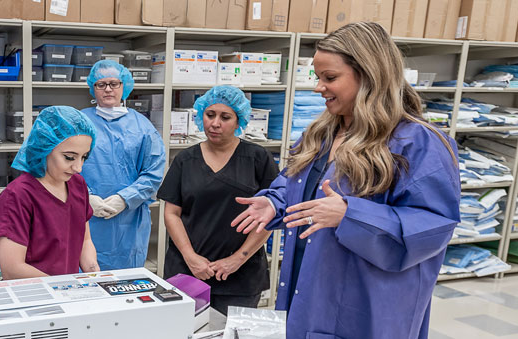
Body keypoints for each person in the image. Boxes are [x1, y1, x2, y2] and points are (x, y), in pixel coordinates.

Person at [230, 22, 460, 338]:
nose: (318, 88)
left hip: (366, 305)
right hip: (309, 287)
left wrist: (350, 215)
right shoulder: (323, 133)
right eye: (318, 77)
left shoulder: (418, 143)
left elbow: (433, 226)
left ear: (368, 75)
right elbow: (297, 184)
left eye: (330, 78)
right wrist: (274, 202)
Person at [158, 85, 278, 315]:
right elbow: (171, 213)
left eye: (225, 117)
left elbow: (269, 216)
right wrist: (190, 257)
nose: (215, 123)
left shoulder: (257, 158)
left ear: (239, 120)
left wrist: (236, 260)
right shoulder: (185, 159)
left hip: (240, 275)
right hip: (188, 270)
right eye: (210, 115)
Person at [0, 106, 101, 279]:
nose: (78, 168)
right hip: (33, 295)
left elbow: (85, 241)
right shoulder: (18, 196)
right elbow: (12, 269)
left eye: (84, 157)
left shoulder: (77, 184)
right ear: (44, 148)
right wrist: (63, 288)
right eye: (70, 157)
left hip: (65, 293)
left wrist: (93, 274)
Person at [80, 60, 166, 270]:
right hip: (84, 217)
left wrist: (124, 199)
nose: (108, 89)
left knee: (124, 282)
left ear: (124, 86)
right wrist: (84, 197)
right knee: (83, 279)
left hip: (129, 219)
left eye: (114, 83)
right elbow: (62, 166)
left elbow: (154, 172)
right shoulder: (79, 122)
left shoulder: (143, 126)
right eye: (101, 84)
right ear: (93, 88)